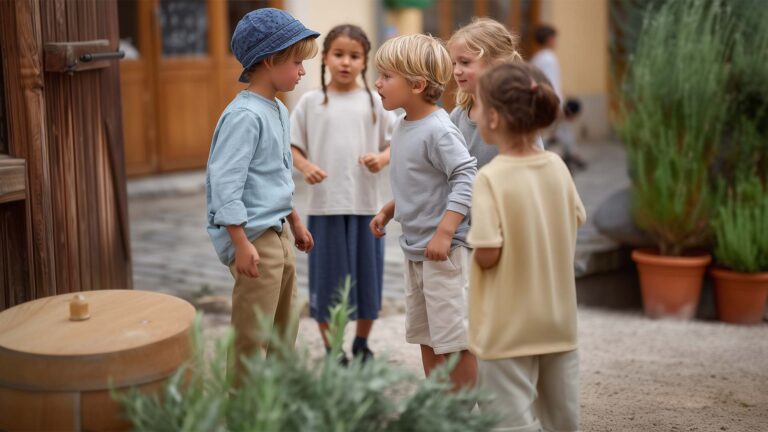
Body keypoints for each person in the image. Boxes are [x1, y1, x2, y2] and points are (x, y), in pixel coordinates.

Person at [467, 62, 586, 431]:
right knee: (562, 418)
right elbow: (576, 218)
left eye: (477, 105)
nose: (473, 113)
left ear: (494, 118)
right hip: (558, 320)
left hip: (507, 325)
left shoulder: (489, 178)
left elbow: (488, 253)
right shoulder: (558, 166)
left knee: (509, 421)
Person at [205, 8, 318, 375]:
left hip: (279, 230)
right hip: (254, 236)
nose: (302, 71)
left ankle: (277, 397)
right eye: (297, 62)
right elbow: (226, 182)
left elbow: (276, 177)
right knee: (253, 333)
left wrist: (295, 221)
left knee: (285, 325)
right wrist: (239, 242)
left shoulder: (278, 110)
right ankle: (245, 403)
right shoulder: (244, 116)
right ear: (270, 60)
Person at [370, 34, 478, 390]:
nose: (377, 83)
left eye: (386, 76)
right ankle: (438, 404)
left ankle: (464, 410)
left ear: (417, 85)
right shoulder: (403, 125)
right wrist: (390, 209)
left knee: (455, 339)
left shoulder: (439, 130)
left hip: (444, 255)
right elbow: (420, 181)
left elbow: (466, 176)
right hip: (416, 251)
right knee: (426, 334)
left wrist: (445, 232)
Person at [290, 24, 396, 363]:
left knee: (368, 281)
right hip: (324, 208)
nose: (346, 62)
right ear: (325, 58)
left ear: (365, 61)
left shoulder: (375, 103)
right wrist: (305, 166)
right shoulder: (310, 103)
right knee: (326, 283)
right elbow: (292, 146)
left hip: (367, 208)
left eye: (354, 56)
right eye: (338, 54)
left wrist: (382, 158)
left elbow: (396, 143)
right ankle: (332, 348)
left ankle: (362, 343)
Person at [447, 17, 542, 169]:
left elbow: (534, 167)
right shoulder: (457, 117)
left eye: (465, 62)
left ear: (496, 66)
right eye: (454, 63)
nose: (456, 71)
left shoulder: (516, 115)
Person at [531, 24, 587, 170]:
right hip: (552, 100)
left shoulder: (537, 57)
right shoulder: (549, 58)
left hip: (543, 100)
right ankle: (568, 157)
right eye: (555, 38)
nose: (556, 41)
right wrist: (559, 105)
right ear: (550, 39)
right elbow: (551, 83)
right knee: (559, 130)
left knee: (557, 131)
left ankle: (570, 156)